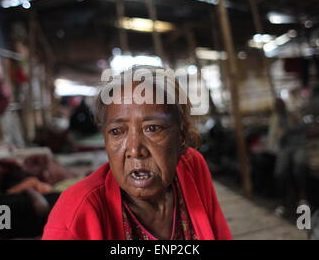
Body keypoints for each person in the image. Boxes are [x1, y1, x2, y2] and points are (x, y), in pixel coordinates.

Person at [42, 66, 232, 240]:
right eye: (117, 132)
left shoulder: (191, 166)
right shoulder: (76, 213)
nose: (134, 150)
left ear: (181, 138)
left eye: (152, 128)